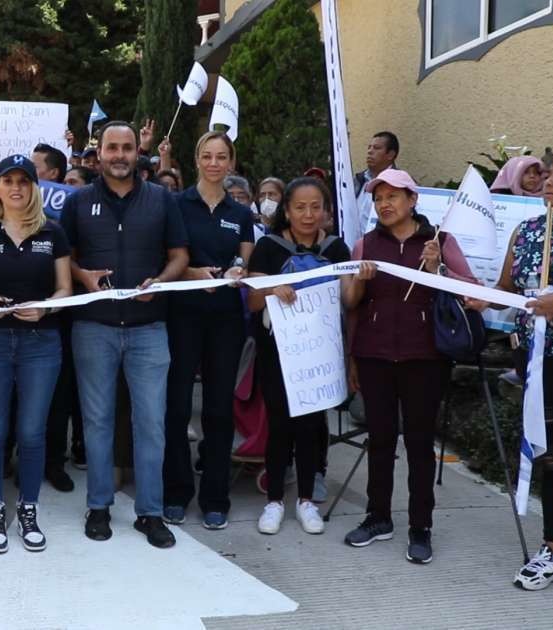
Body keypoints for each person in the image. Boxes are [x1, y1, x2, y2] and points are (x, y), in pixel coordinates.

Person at [61, 121, 189, 548]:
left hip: (149, 329)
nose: (119, 155)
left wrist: (163, 280)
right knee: (97, 422)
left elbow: (179, 256)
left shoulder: (162, 200)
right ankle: (98, 506)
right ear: (98, 154)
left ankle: (149, 513)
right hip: (93, 328)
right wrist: (81, 275)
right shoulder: (78, 203)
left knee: (150, 423)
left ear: (138, 153)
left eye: (127, 148)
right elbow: (67, 260)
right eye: (112, 148)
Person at [342, 168, 476, 564]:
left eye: (392, 197)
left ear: (412, 200)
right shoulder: (365, 243)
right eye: (379, 198)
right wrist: (361, 282)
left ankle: (421, 527)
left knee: (419, 444)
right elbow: (350, 303)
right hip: (375, 354)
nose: (384, 204)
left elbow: (471, 291)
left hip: (425, 357)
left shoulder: (439, 241)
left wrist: (439, 270)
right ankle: (377, 517)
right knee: (380, 440)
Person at [0, 155, 72, 553]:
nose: (15, 187)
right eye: (7, 181)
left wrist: (46, 306)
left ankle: (29, 508)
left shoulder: (54, 233)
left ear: (33, 188)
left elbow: (66, 289)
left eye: (23, 181)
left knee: (31, 431)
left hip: (41, 343)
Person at [245, 178, 356, 535]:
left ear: (326, 211)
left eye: (316, 207)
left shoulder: (338, 249)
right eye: (299, 207)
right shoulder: (268, 247)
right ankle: (274, 500)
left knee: (310, 427)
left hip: (319, 354)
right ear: (287, 211)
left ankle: (306, 500)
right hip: (278, 353)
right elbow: (252, 301)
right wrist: (272, 289)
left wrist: (362, 277)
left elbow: (350, 300)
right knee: (279, 425)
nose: (308, 215)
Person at [478, 150, 553, 589]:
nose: (548, 182)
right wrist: (477, 297)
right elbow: (507, 291)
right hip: (538, 361)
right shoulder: (529, 230)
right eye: (547, 175)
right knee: (552, 453)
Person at [163, 131, 253, 529]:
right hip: (183, 315)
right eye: (207, 155)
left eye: (222, 157)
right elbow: (165, 257)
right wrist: (192, 272)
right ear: (196, 159)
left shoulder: (241, 214)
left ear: (231, 162)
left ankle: (215, 497)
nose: (214, 163)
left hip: (225, 319)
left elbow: (246, 263)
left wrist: (237, 271)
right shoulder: (176, 205)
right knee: (177, 405)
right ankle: (177, 492)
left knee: (218, 407)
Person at [354, 131, 399, 196]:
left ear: (390, 155)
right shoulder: (358, 179)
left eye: (376, 148)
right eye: (369, 147)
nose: (369, 151)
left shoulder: (402, 183)